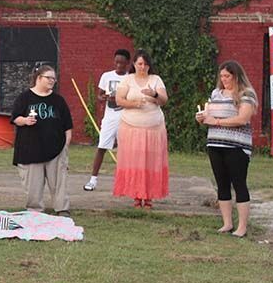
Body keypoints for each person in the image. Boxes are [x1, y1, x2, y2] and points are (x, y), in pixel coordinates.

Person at [196, 60, 257, 238]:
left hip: (236, 145)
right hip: (215, 143)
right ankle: (227, 223)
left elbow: (242, 119)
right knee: (221, 184)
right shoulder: (216, 93)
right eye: (222, 76)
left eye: (227, 76)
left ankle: (242, 226)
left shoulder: (246, 94)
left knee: (238, 183)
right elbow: (210, 114)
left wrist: (217, 122)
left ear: (236, 76)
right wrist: (203, 118)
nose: (224, 79)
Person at [11, 65, 73, 216]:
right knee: (33, 184)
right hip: (30, 149)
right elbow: (15, 118)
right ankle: (35, 210)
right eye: (49, 78)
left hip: (55, 149)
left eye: (54, 79)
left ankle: (62, 208)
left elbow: (67, 126)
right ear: (39, 78)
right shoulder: (25, 97)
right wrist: (25, 120)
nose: (52, 81)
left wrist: (65, 146)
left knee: (59, 182)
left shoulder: (58, 100)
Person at [113, 51, 169, 208]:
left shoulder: (155, 79)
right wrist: (134, 104)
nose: (142, 67)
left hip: (153, 128)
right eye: (139, 64)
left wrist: (154, 94)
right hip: (131, 127)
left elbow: (164, 100)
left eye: (145, 64)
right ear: (134, 65)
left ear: (149, 65)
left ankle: (149, 196)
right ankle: (137, 196)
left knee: (151, 162)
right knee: (134, 161)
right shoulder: (127, 80)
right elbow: (119, 100)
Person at [84, 49, 133, 191]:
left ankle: (126, 181)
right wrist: (103, 98)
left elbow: (132, 98)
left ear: (127, 64)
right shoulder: (106, 76)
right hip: (110, 117)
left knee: (125, 150)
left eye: (122, 63)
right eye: (116, 62)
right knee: (102, 147)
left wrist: (120, 99)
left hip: (125, 117)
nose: (119, 65)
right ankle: (93, 179)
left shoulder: (130, 78)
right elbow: (99, 95)